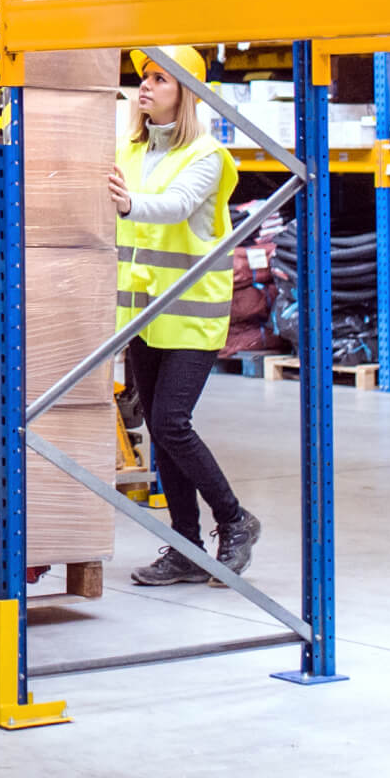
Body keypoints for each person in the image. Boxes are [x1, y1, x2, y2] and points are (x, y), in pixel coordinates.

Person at [107, 46, 260, 587]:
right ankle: (185, 547)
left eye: (159, 79)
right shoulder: (129, 150)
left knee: (172, 421)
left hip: (192, 315)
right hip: (141, 314)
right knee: (158, 427)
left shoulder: (208, 157)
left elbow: (172, 205)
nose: (145, 86)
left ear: (187, 93)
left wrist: (126, 205)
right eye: (142, 78)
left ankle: (235, 519)